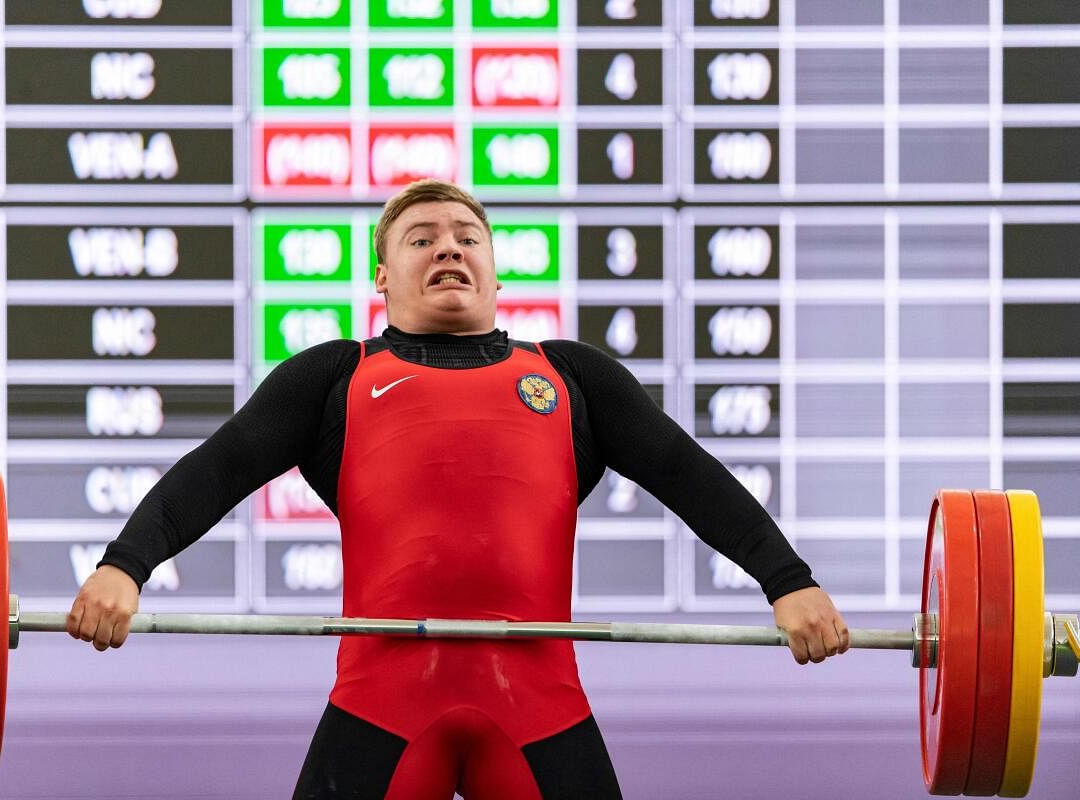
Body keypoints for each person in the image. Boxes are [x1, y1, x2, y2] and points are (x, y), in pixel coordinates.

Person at [68, 179, 850, 799]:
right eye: (422, 238)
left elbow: (690, 477)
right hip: (380, 709)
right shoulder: (335, 378)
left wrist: (789, 583)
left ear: (495, 270)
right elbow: (217, 470)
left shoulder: (572, 378)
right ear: (382, 275)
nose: (449, 249)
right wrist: (123, 565)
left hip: (539, 709)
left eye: (466, 237)